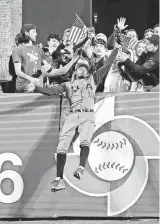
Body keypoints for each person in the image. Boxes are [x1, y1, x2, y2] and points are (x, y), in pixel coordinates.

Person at [32, 46, 118, 192]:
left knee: (85, 141)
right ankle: (59, 180)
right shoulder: (67, 85)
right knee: (61, 146)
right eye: (80, 68)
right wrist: (36, 87)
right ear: (75, 71)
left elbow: (107, 65)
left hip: (87, 115)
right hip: (73, 115)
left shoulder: (93, 79)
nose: (83, 70)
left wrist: (115, 48)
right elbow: (51, 91)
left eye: (85, 68)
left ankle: (81, 167)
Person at [12, 24, 43, 93]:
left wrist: (35, 83)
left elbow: (41, 69)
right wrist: (31, 79)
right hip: (23, 88)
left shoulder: (38, 50)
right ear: (26, 33)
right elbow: (18, 71)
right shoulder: (17, 49)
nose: (36, 34)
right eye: (34, 32)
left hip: (37, 87)